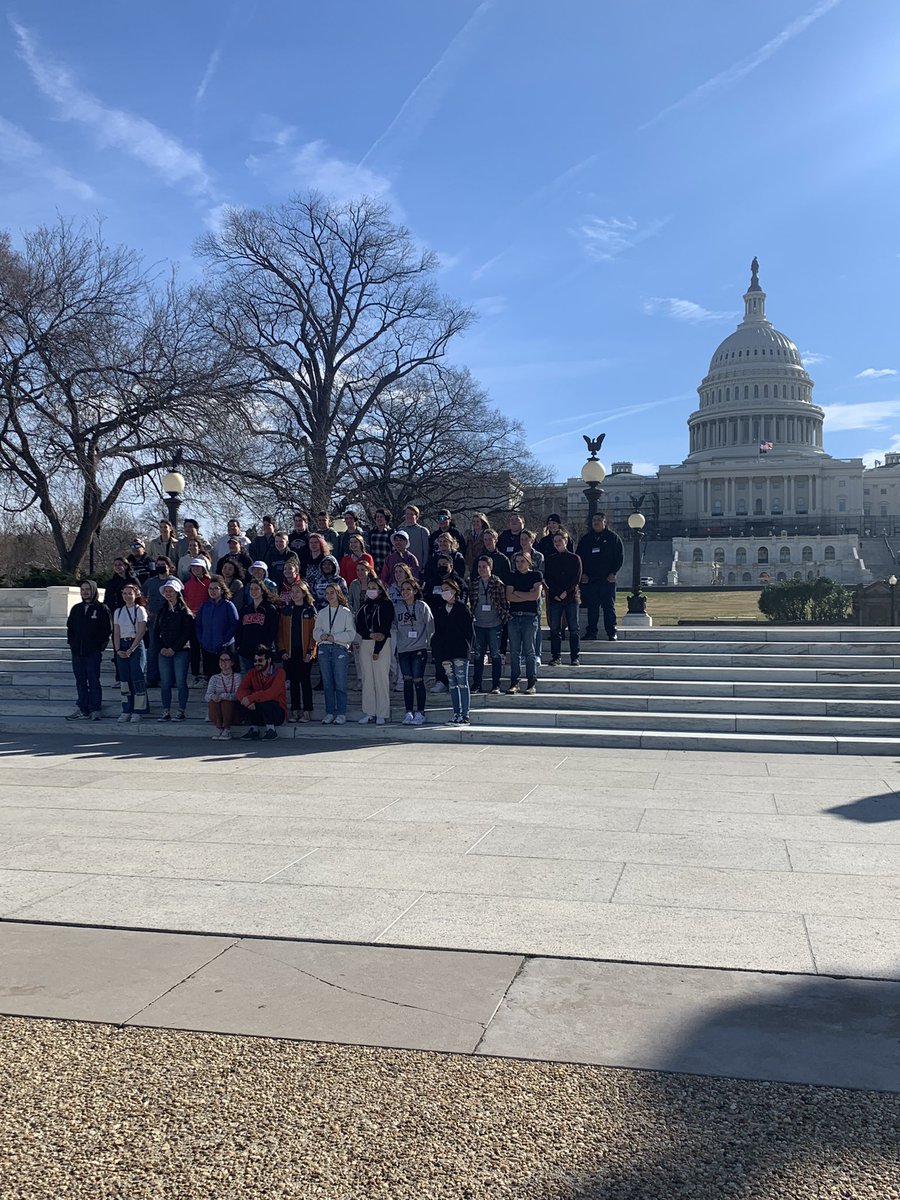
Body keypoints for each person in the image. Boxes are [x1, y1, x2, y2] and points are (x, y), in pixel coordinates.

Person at [65, 580, 112, 721]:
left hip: (93, 652)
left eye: (87, 589)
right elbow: (70, 629)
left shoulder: (102, 609)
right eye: (83, 590)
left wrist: (99, 647)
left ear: (93, 591)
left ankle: (95, 709)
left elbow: (106, 630)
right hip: (77, 652)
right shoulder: (76, 609)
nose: (85, 592)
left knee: (93, 680)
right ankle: (83, 708)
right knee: (80, 681)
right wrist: (72, 645)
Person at [576, 512, 624, 641]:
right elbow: (579, 557)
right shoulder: (586, 539)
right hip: (590, 580)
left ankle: (611, 631)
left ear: (605, 522)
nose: (596, 522)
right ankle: (591, 632)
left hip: (607, 579)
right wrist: (583, 574)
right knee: (592, 607)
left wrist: (613, 573)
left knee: (609, 606)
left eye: (599, 520)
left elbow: (619, 557)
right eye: (594, 520)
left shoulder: (613, 538)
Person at [432, 577, 474, 725]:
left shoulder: (463, 609)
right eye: (442, 590)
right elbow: (438, 634)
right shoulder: (440, 610)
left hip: (460, 651)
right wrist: (440, 654)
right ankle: (456, 713)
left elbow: (469, 632)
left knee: (462, 682)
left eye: (447, 590)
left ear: (455, 591)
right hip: (446, 653)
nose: (444, 593)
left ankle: (465, 714)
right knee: (452, 684)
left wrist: (468, 650)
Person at [393, 577, 434, 726]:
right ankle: (408, 712)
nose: (405, 592)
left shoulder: (422, 606)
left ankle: (420, 712)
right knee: (407, 681)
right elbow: (396, 625)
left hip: (418, 648)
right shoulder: (397, 607)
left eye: (408, 589)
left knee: (418, 680)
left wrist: (427, 644)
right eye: (402, 590)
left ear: (415, 591)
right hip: (404, 649)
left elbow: (430, 626)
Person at [313, 582, 356, 724]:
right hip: (324, 648)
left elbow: (351, 634)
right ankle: (330, 712)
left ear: (338, 593)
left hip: (339, 649)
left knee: (340, 683)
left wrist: (335, 637)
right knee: (327, 683)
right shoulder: (322, 612)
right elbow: (315, 631)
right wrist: (322, 636)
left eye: (332, 592)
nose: (329, 595)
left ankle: (341, 713)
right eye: (327, 593)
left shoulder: (346, 612)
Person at [355, 573, 394, 725]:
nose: (371, 590)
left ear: (380, 589)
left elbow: (385, 626)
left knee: (381, 679)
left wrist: (377, 649)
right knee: (367, 679)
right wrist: (369, 634)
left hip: (382, 644)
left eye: (374, 588)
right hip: (366, 642)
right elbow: (359, 624)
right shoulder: (364, 606)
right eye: (369, 588)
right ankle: (369, 712)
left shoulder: (386, 604)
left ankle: (382, 713)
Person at [278, 580, 317, 723]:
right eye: (292, 592)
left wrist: (310, 651)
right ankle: (295, 711)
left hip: (305, 652)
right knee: (293, 682)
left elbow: (315, 634)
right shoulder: (286, 611)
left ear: (304, 593)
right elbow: (281, 632)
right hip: (290, 652)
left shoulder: (310, 610)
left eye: (297, 592)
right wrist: (282, 649)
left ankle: (307, 711)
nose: (294, 595)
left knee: (305, 682)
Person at [469, 555, 508, 695]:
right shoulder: (474, 584)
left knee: (496, 655)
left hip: (494, 624)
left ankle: (496, 684)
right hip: (479, 624)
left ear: (490, 568)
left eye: (484, 567)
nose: (481, 570)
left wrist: (503, 618)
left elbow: (504, 603)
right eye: (479, 567)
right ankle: (477, 683)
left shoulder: (497, 583)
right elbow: (472, 603)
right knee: (478, 655)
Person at [155, 577, 193, 721]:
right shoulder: (162, 611)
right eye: (166, 591)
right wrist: (161, 648)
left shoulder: (185, 612)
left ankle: (181, 710)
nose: (169, 594)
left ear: (177, 593)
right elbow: (156, 632)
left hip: (181, 651)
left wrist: (174, 648)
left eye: (171, 591)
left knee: (181, 681)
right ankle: (166, 710)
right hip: (164, 651)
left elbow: (186, 633)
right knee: (165, 682)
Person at [505, 552, 543, 695]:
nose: (519, 564)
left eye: (522, 561)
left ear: (529, 562)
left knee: (529, 651)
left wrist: (518, 593)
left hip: (529, 617)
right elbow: (509, 596)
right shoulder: (512, 576)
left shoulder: (536, 575)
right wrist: (526, 594)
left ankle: (531, 682)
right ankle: (515, 682)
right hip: (514, 617)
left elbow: (535, 596)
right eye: (517, 561)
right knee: (514, 652)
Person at [545, 532, 583, 666]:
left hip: (571, 597)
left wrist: (566, 592)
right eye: (555, 540)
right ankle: (556, 657)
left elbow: (576, 578)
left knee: (573, 628)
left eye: (560, 540)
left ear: (566, 541)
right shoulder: (550, 559)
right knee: (555, 628)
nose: (557, 543)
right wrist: (556, 592)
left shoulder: (575, 558)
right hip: (555, 598)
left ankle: (574, 657)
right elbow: (548, 577)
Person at [235, 645, 287, 741]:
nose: (257, 663)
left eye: (260, 661)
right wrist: (246, 699)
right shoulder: (252, 672)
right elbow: (241, 690)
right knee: (242, 701)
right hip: (259, 710)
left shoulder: (280, 672)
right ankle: (254, 729)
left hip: (277, 712)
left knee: (266, 701)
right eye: (255, 661)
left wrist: (251, 698)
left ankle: (271, 730)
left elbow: (271, 693)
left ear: (269, 660)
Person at [113, 581, 149, 722]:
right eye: (125, 593)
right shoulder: (118, 611)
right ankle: (126, 708)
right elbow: (116, 632)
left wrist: (132, 648)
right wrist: (117, 649)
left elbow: (141, 631)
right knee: (124, 679)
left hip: (136, 644)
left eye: (130, 593)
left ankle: (138, 710)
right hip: (122, 644)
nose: (127, 596)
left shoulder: (140, 610)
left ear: (136, 595)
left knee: (137, 677)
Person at [195, 575, 240, 681]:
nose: (213, 591)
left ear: (222, 590)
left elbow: (234, 625)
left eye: (216, 588)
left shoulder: (228, 605)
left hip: (225, 649)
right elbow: (198, 625)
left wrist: (224, 641)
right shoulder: (204, 606)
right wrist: (202, 640)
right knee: (212, 679)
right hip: (207, 649)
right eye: (210, 588)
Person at [236, 579, 279, 671]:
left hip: (262, 652)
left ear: (262, 591)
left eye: (256, 589)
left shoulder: (270, 609)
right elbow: (239, 629)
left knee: (263, 679)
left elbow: (273, 630)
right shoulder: (246, 609)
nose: (253, 591)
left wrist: (266, 647)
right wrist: (239, 645)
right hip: (246, 651)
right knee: (249, 679)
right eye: (251, 589)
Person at [144, 556, 174, 688]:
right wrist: (146, 610)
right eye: (158, 564)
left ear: (169, 566)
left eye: (163, 564)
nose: (160, 566)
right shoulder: (150, 582)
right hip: (153, 620)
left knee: (169, 649)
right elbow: (141, 595)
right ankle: (151, 678)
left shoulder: (174, 581)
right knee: (152, 649)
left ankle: (169, 679)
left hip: (170, 621)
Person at [184, 558, 212, 684]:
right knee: (194, 648)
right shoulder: (187, 584)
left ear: (203, 569)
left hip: (206, 619)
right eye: (193, 567)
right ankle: (195, 674)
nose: (196, 570)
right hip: (192, 619)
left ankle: (207, 674)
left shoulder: (209, 582)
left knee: (205, 647)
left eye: (198, 567)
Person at [519, 530, 545, 661]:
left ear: (532, 540)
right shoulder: (516, 557)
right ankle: (524, 653)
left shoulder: (538, 557)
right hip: (520, 595)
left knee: (536, 625)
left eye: (526, 539)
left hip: (534, 593)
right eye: (521, 539)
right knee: (522, 624)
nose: (523, 542)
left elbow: (539, 576)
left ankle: (537, 654)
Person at [205, 649, 242, 740]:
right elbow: (207, 696)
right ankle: (219, 728)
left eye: (226, 660)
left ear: (232, 663)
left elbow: (238, 695)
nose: (223, 662)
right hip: (218, 710)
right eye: (221, 660)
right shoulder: (214, 678)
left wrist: (223, 696)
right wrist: (214, 696)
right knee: (212, 701)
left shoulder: (237, 677)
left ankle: (227, 729)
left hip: (233, 711)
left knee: (226, 701)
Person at [366, 509, 394, 576]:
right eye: (377, 517)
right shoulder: (371, 533)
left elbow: (394, 551)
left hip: (387, 567)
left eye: (381, 517)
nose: (379, 519)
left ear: (386, 519)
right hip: (374, 568)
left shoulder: (391, 533)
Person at [304, 535, 328, 605]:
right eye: (311, 543)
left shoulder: (326, 559)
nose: (313, 545)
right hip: (309, 592)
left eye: (316, 542)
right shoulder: (307, 559)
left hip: (322, 592)